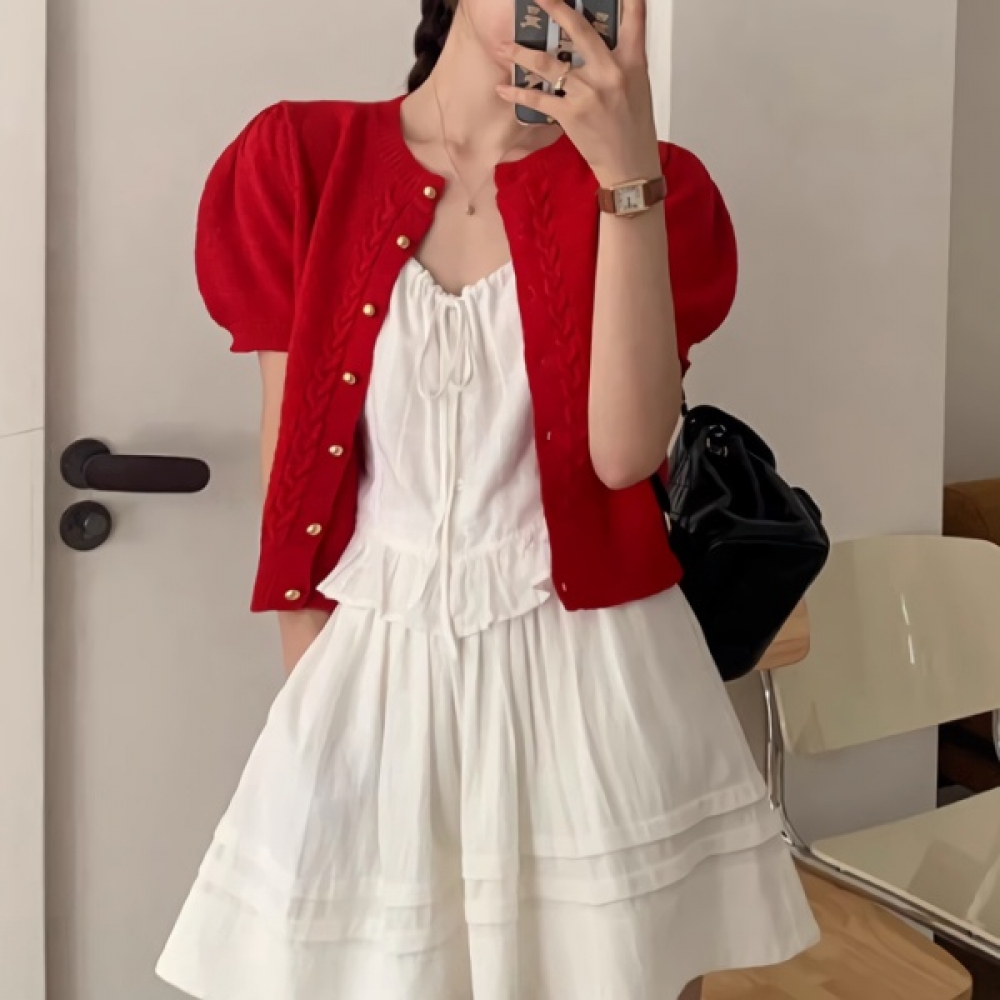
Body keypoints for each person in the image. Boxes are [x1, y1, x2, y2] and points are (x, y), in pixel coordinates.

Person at [155, 0, 820, 997]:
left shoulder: (662, 187)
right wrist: (310, 684)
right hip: (378, 670)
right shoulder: (300, 160)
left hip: (601, 685)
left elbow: (622, 454)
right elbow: (291, 465)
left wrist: (626, 175)